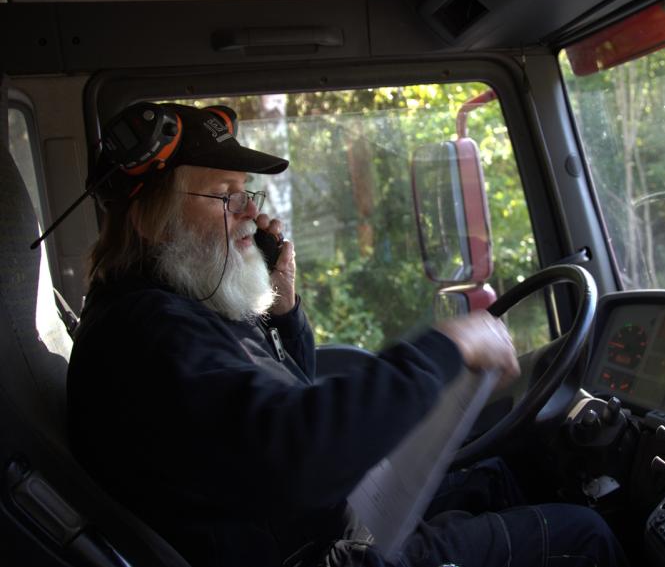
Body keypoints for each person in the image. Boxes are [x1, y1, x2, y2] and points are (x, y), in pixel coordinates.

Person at [67, 103, 626, 567]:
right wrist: (449, 347)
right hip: (322, 552)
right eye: (225, 195)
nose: (249, 214)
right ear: (151, 220)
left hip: (314, 525)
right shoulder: (150, 336)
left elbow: (282, 404)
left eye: (247, 193)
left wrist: (283, 312)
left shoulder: (174, 308)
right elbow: (303, 454)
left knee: (501, 477)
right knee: (584, 535)